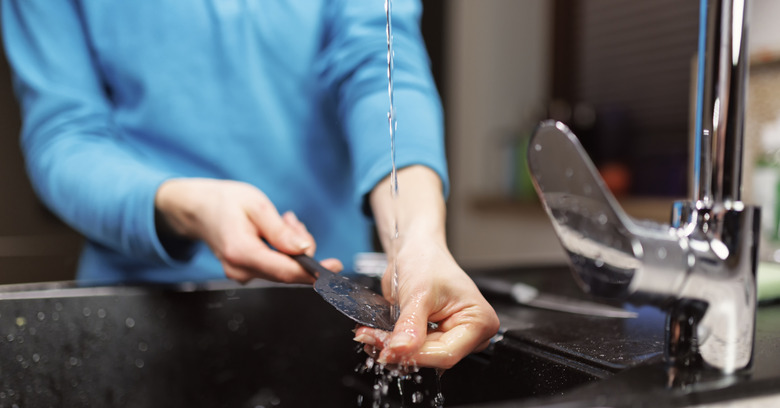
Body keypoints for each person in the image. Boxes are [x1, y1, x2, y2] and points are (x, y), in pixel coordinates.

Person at [2, 0, 499, 369]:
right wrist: (187, 205)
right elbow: (66, 138)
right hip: (133, 318)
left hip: (327, 319)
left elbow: (380, 68)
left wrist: (418, 238)